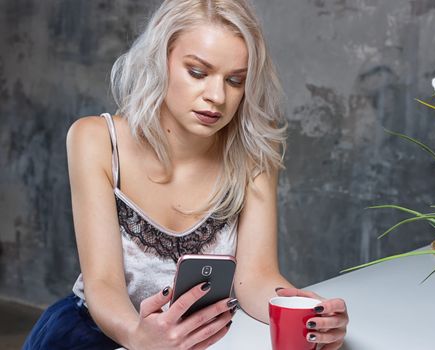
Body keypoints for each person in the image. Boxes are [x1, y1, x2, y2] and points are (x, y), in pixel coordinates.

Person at [23, 0, 349, 349]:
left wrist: (309, 314)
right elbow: (103, 283)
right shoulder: (95, 139)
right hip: (98, 333)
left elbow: (255, 279)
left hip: (204, 339)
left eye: (235, 80)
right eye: (197, 72)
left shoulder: (255, 152)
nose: (217, 96)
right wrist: (140, 337)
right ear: (161, 60)